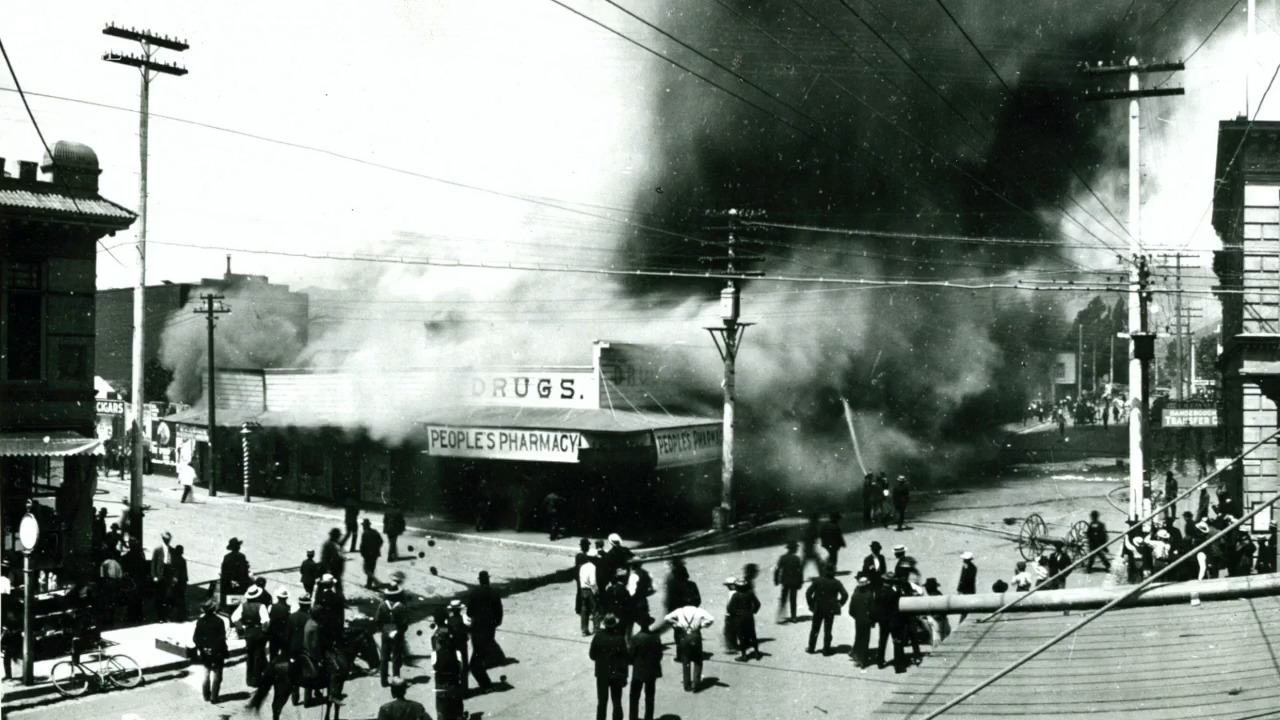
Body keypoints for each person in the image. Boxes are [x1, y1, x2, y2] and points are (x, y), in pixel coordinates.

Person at [664, 602, 714, 693]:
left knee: (685, 660)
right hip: (695, 635)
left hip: (684, 636)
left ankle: (687, 685)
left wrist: (677, 624)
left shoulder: (680, 611)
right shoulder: (698, 611)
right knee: (698, 660)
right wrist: (703, 625)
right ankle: (696, 684)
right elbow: (711, 618)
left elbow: (666, 618)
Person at [589, 614, 629, 720]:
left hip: (602, 674)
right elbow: (625, 659)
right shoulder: (620, 638)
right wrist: (625, 677)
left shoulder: (598, 637)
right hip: (616, 675)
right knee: (617, 702)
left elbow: (592, 656)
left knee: (602, 702)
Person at [467, 570, 505, 671]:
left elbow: (469, 612)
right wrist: (497, 621)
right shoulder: (494, 593)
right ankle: (492, 661)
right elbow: (499, 610)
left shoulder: (474, 593)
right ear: (488, 580)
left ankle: (477, 664)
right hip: (490, 624)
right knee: (488, 641)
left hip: (477, 624)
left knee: (478, 644)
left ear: (480, 581)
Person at [804, 565, 848, 655]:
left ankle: (811, 648)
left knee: (815, 629)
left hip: (818, 608)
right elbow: (845, 595)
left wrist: (811, 605)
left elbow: (808, 593)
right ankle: (826, 649)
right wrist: (839, 604)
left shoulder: (818, 580)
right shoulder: (837, 583)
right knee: (828, 630)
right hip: (830, 610)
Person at [233, 584, 271, 687]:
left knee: (250, 655)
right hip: (258, 631)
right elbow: (266, 621)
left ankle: (249, 679)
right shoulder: (261, 606)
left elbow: (234, 618)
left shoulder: (243, 605)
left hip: (248, 631)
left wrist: (241, 627)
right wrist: (264, 630)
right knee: (258, 655)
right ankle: (257, 679)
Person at [628, 614, 663, 720]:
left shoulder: (635, 639)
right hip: (652, 670)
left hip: (638, 671)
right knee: (650, 697)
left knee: (634, 696)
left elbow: (630, 656)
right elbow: (659, 655)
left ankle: (633, 717)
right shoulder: (655, 637)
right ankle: (649, 717)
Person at [193, 599, 229, 704]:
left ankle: (206, 695)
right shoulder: (219, 621)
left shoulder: (200, 621)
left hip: (205, 652)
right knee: (217, 675)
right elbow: (221, 639)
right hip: (217, 652)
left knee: (206, 673)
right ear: (214, 609)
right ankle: (214, 697)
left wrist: (203, 648)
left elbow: (195, 638)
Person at [432, 614, 465, 720]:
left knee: (441, 710)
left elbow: (434, 667)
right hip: (454, 683)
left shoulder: (435, 654)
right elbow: (460, 667)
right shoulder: (457, 653)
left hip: (441, 685)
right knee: (457, 708)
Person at [375, 584, 409, 686]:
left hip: (385, 631)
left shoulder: (382, 605)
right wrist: (401, 631)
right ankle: (396, 678)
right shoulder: (402, 606)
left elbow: (377, 619)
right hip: (397, 632)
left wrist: (383, 629)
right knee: (396, 656)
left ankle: (383, 680)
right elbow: (405, 622)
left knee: (384, 656)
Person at [286, 594, 314, 707]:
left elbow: (287, 634)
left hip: (293, 649)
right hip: (306, 649)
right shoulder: (310, 618)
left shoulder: (291, 616)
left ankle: (295, 697)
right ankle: (307, 699)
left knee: (294, 672)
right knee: (308, 673)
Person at [726, 578, 760, 661]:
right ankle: (756, 652)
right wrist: (753, 611)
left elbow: (730, 608)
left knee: (741, 636)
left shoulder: (736, 595)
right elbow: (757, 604)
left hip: (739, 617)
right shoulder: (750, 593)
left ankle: (744, 655)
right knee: (752, 634)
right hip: (749, 616)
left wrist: (733, 614)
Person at [848, 573, 875, 668]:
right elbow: (872, 610)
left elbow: (851, 611)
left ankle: (856, 653)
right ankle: (862, 660)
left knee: (859, 637)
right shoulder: (869, 595)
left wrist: (857, 616)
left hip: (858, 620)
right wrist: (872, 621)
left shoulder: (855, 595)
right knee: (865, 640)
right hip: (867, 620)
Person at [772, 541, 804, 623]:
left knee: (783, 599)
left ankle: (780, 616)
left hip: (785, 582)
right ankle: (794, 617)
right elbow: (800, 572)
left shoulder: (783, 558)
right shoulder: (797, 559)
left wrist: (776, 580)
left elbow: (777, 570)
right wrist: (800, 582)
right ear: (794, 549)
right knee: (793, 600)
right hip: (794, 582)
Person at [220, 537, 251, 612]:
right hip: (240, 586)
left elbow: (224, 572)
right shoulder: (242, 557)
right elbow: (244, 572)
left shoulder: (227, 557)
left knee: (231, 606)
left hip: (230, 585)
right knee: (239, 607)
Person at [151, 530, 176, 621]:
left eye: (168, 539)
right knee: (160, 596)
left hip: (168, 573)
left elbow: (174, 565)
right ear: (163, 539)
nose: (167, 541)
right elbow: (154, 563)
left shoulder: (172, 550)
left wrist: (174, 576)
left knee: (168, 596)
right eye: (165, 539)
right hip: (160, 574)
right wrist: (154, 576)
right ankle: (160, 616)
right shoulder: (157, 550)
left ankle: (167, 615)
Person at [579, 544, 600, 636]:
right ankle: (596, 629)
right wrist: (596, 591)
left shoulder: (583, 567)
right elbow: (593, 582)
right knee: (595, 609)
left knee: (584, 610)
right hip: (590, 590)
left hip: (583, 589)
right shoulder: (593, 567)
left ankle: (584, 630)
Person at [922, 578, 949, 644]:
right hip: (939, 620)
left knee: (937, 640)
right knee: (939, 638)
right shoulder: (939, 594)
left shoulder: (933, 597)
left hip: (937, 621)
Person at [360, 518, 384, 589]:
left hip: (367, 554)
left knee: (366, 569)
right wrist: (376, 548)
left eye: (363, 525)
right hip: (375, 554)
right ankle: (369, 584)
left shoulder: (364, 533)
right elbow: (381, 541)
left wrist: (363, 553)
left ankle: (377, 582)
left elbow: (362, 545)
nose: (363, 527)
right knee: (372, 569)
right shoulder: (375, 531)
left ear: (365, 526)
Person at [268, 588, 291, 660]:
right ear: (286, 598)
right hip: (284, 634)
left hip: (273, 634)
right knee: (284, 655)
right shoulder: (289, 607)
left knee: (273, 654)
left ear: (277, 597)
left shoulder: (271, 606)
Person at [169, 545, 189, 622]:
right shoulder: (183, 560)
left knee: (174, 599)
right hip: (182, 582)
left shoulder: (174, 560)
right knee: (181, 600)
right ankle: (181, 616)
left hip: (176, 583)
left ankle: (174, 616)